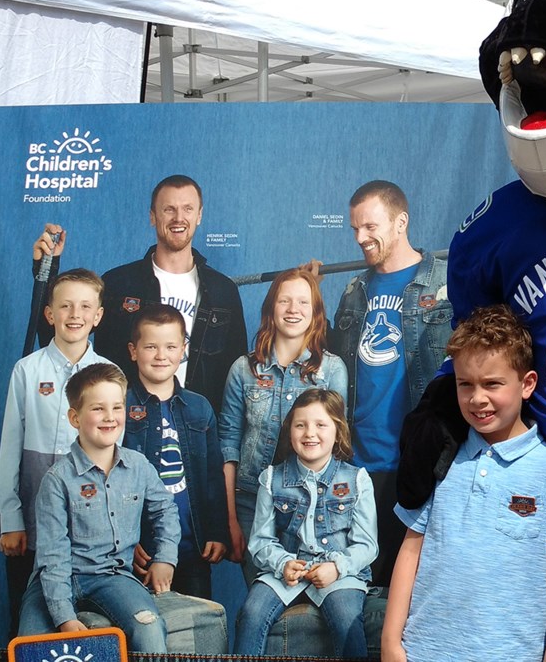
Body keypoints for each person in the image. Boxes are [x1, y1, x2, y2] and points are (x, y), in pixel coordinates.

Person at [382, 304, 546, 662]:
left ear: (527, 384)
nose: (477, 398)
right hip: (423, 652)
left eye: (492, 384)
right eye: (466, 384)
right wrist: (390, 642)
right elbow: (411, 550)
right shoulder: (440, 458)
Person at [32, 173, 247, 412]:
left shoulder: (222, 291)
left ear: (199, 216)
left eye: (187, 209)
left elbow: (237, 377)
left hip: (196, 430)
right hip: (123, 426)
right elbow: (61, 340)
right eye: (168, 209)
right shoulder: (118, 283)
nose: (179, 218)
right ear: (152, 217)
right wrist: (46, 273)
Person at [329, 179, 452, 585]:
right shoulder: (353, 291)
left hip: (421, 466)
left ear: (400, 222)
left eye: (370, 227)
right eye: (355, 229)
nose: (361, 237)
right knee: (360, 591)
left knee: (415, 594)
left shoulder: (442, 284)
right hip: (360, 468)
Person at [17, 363, 180, 653]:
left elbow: (165, 511)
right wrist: (64, 617)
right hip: (56, 579)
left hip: (112, 576)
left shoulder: (138, 466)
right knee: (32, 646)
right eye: (97, 409)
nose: (109, 417)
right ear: (74, 417)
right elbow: (52, 555)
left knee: (149, 626)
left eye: (117, 408)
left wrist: (165, 558)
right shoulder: (56, 480)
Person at [0, 268, 111, 637]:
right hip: (32, 520)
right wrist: (12, 521)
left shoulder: (108, 374)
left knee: (81, 617)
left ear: (98, 316)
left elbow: (114, 454)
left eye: (84, 307)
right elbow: (10, 448)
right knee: (29, 614)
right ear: (50, 314)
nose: (74, 315)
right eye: (65, 306)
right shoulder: (27, 370)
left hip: (88, 524)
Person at [220, 267, 347, 582]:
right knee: (262, 600)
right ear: (270, 310)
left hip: (311, 505)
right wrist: (232, 520)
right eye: (284, 301)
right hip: (250, 504)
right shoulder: (243, 370)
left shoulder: (331, 370)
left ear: (316, 313)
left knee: (303, 610)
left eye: (303, 303)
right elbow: (228, 444)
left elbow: (337, 450)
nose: (293, 310)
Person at [234, 388, 377, 658]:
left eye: (320, 425)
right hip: (287, 570)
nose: (310, 433)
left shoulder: (356, 479)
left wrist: (337, 567)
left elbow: (367, 545)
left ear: (338, 431)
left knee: (347, 617)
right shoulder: (271, 478)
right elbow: (261, 541)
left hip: (338, 572)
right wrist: (282, 563)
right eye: (301, 425)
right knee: (251, 613)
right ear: (290, 431)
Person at [122, 304, 228, 598]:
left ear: (184, 349)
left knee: (195, 633)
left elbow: (212, 479)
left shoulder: (199, 407)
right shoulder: (120, 406)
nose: (161, 355)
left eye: (170, 346)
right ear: (133, 351)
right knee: (144, 636)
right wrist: (125, 542)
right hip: (139, 552)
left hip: (192, 547)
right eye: (151, 346)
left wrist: (218, 532)